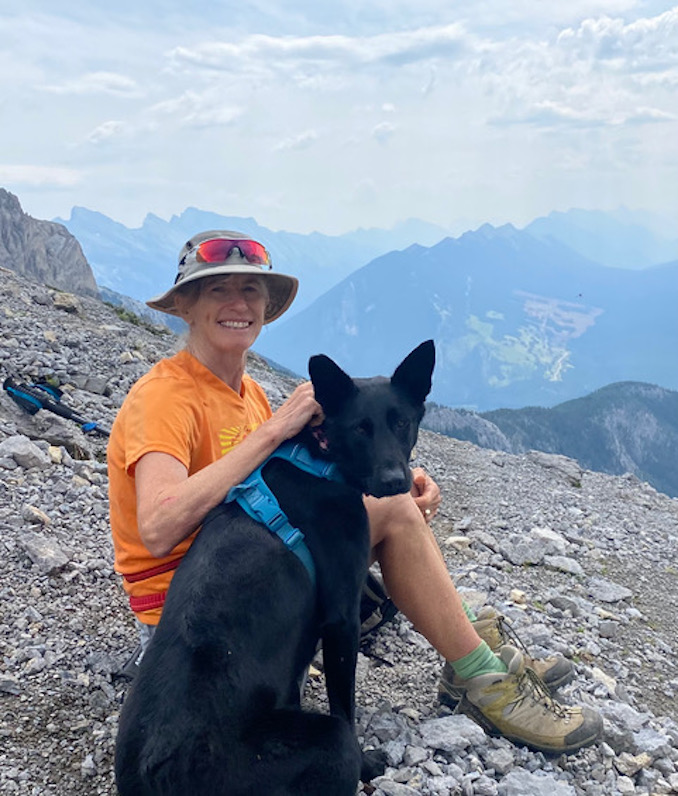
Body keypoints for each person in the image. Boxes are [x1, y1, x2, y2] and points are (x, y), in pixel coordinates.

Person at [108, 230, 601, 755]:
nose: (238, 303)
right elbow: (158, 529)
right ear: (184, 304)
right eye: (216, 291)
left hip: (253, 573)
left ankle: (473, 640)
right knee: (393, 515)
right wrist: (273, 432)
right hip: (195, 617)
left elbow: (290, 489)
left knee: (393, 503)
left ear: (266, 307)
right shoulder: (165, 396)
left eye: (251, 290)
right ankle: (482, 678)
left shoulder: (246, 391)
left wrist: (388, 478)